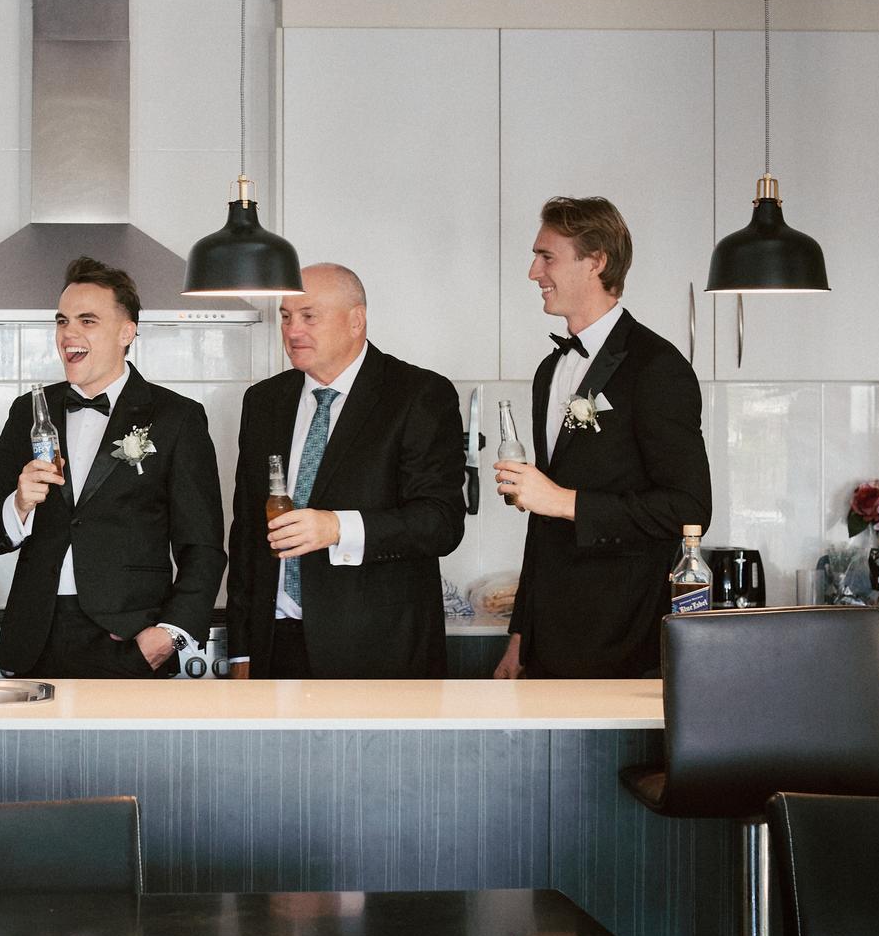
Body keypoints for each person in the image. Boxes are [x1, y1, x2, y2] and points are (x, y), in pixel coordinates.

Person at [0, 256, 225, 679]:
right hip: (35, 636)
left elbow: (203, 546)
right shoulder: (28, 411)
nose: (69, 333)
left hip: (130, 637)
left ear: (127, 332)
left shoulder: (177, 417)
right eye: (62, 321)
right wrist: (17, 504)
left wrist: (171, 634)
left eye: (87, 321)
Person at [494, 196, 712, 679]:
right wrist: (520, 637)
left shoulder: (657, 367)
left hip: (624, 638)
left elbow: (689, 508)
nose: (533, 272)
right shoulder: (550, 371)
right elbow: (544, 527)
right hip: (549, 639)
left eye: (546, 256)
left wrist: (565, 500)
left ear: (596, 262)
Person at [225, 262, 465, 679]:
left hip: (379, 651)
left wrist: (337, 528)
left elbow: (440, 522)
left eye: (308, 316)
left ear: (356, 320)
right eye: (286, 317)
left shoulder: (418, 395)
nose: (292, 330)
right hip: (275, 648)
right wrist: (243, 649)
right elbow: (247, 531)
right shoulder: (264, 402)